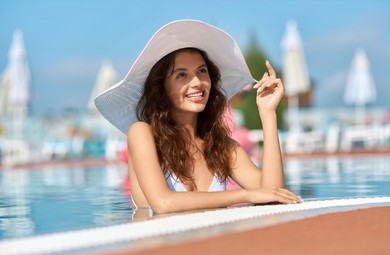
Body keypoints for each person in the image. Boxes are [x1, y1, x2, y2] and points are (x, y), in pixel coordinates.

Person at [95, 20, 302, 214]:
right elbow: (163, 203)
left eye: (202, 71)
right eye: (181, 75)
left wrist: (268, 114)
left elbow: (273, 194)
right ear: (162, 88)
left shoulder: (222, 147)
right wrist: (245, 195)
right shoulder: (142, 133)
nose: (197, 82)